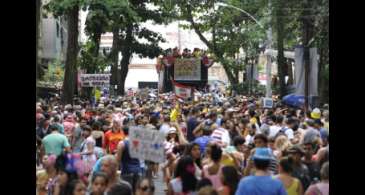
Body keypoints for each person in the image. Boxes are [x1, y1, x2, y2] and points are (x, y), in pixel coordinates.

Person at [116, 126, 142, 192]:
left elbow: (118, 160)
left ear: (122, 132)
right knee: (136, 191)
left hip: (126, 171)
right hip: (137, 170)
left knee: (126, 191)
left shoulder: (122, 144)